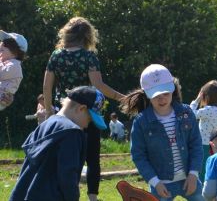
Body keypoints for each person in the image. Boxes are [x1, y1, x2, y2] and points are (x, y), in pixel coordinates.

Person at [43, 16, 124, 201]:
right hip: (88, 113)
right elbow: (99, 85)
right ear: (88, 36)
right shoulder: (89, 57)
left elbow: (47, 87)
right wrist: (123, 98)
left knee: (67, 157)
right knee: (92, 157)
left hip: (63, 113)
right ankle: (92, 198)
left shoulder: (56, 56)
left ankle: (65, 195)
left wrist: (49, 112)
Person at [121, 64, 203, 201]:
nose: (162, 98)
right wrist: (155, 182)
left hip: (190, 179)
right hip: (160, 185)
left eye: (166, 93)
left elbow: (196, 144)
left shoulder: (187, 113)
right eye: (156, 95)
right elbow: (139, 156)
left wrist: (194, 174)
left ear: (173, 90)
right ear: (147, 94)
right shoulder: (141, 122)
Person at [10, 86, 107, 201]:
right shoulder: (72, 132)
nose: (87, 126)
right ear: (81, 109)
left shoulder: (44, 125)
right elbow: (67, 176)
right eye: (89, 120)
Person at [190, 80, 217, 180]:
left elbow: (190, 114)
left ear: (206, 97)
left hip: (204, 146)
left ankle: (204, 191)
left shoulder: (207, 110)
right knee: (215, 169)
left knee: (203, 170)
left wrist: (197, 100)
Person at [0, 30, 27, 111]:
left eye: (6, 44)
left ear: (15, 52)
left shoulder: (15, 65)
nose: (1, 44)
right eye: (2, 42)